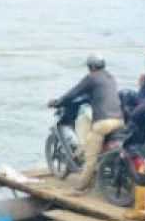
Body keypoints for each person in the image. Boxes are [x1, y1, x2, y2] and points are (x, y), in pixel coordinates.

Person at [49, 54, 123, 192]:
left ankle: (81, 186)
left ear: (92, 67)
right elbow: (101, 95)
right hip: (119, 120)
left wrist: (58, 102)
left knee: (90, 157)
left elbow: (73, 92)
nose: (89, 69)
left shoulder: (92, 78)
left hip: (103, 123)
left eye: (89, 67)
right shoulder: (110, 77)